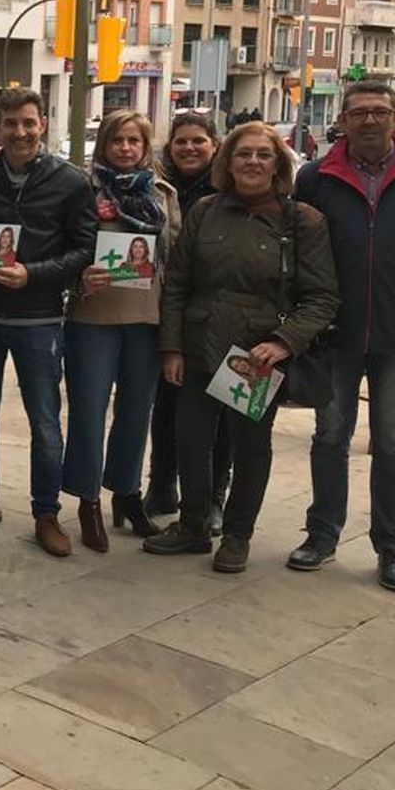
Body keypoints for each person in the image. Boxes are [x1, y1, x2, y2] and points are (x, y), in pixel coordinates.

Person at [145, 121, 338, 573]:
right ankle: (193, 526)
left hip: (253, 356)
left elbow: (322, 297)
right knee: (190, 439)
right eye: (242, 154)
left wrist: (283, 342)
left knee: (250, 446)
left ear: (278, 164)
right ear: (227, 162)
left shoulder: (302, 221)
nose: (252, 162)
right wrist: (171, 348)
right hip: (199, 346)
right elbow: (177, 284)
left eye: (263, 155)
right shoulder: (206, 211)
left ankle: (236, 535)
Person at [0, 89, 95, 557]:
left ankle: (46, 514)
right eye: (11, 123)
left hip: (40, 319)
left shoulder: (71, 181)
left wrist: (34, 274)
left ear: (42, 124)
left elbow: (84, 249)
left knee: (46, 423)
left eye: (28, 122)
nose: (20, 132)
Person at [289, 81, 395, 592]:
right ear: (342, 121)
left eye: (379, 112)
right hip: (333, 333)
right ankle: (322, 533)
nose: (369, 121)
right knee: (329, 436)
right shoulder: (316, 179)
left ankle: (391, 546)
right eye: (359, 113)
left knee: (394, 441)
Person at [61, 110, 178, 552]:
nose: (125, 149)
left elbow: (177, 258)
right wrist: (78, 278)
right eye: (117, 141)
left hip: (147, 319)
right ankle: (87, 500)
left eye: (134, 141)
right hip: (93, 318)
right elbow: (63, 250)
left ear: (146, 147)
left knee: (136, 414)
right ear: (103, 146)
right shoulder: (83, 193)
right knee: (89, 413)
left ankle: (127, 494)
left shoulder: (163, 195)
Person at [145, 112, 231, 523]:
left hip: (222, 315)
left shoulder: (229, 188)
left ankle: (215, 496)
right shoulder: (154, 187)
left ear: (215, 145)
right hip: (169, 310)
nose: (190, 148)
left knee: (222, 412)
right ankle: (162, 484)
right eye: (181, 141)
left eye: (199, 141)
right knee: (166, 407)